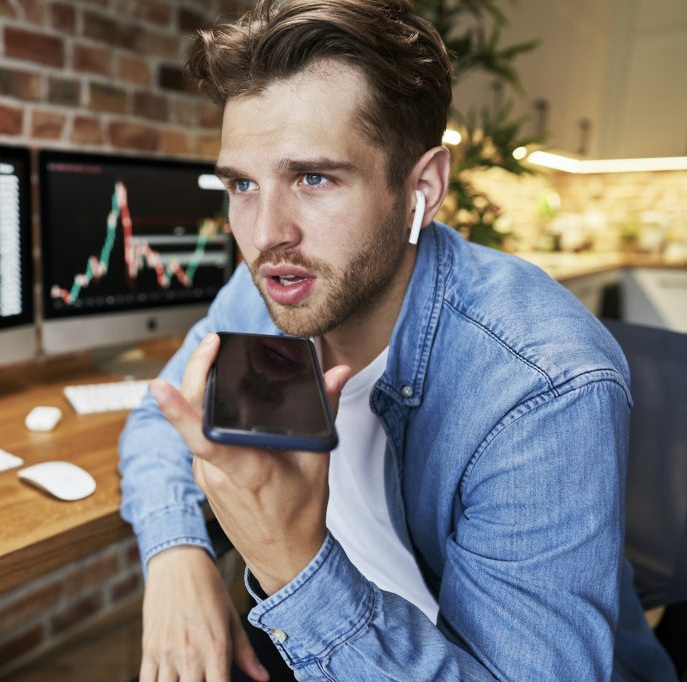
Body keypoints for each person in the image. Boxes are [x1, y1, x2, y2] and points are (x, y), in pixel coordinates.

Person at [118, 0, 677, 680]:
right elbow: (159, 414)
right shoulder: (271, 292)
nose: (266, 235)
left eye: (314, 178)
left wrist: (292, 563)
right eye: (241, 184)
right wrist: (178, 554)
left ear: (422, 188)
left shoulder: (539, 386)